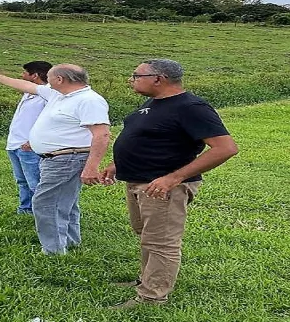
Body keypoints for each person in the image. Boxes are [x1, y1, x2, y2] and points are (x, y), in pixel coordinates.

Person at [102, 59, 238, 308]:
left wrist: (174, 177)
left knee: (161, 241)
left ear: (158, 78)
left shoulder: (191, 107)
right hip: (138, 181)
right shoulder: (154, 103)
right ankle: (147, 280)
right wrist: (119, 163)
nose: (131, 80)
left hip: (163, 187)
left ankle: (152, 297)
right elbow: (151, 139)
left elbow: (225, 148)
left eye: (136, 75)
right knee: (147, 235)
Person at [0, 64, 110, 255]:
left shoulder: (89, 100)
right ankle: (70, 243)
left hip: (68, 158)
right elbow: (24, 85)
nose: (46, 81)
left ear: (60, 80)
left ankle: (53, 252)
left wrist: (91, 167)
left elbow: (101, 134)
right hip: (56, 158)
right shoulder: (57, 95)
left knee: (45, 202)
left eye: (50, 77)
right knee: (64, 202)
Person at [5, 61, 53, 215]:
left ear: (35, 75)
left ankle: (44, 212)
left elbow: (49, 121)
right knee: (22, 181)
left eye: (25, 73)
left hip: (29, 146)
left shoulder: (48, 94)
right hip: (15, 144)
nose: (22, 76)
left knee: (35, 182)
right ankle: (26, 209)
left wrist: (33, 141)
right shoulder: (29, 93)